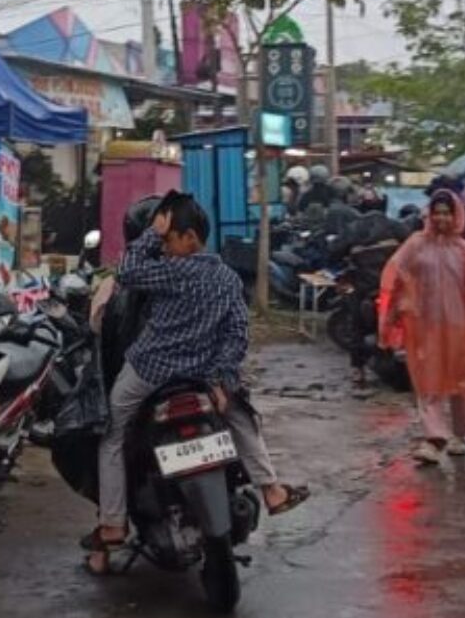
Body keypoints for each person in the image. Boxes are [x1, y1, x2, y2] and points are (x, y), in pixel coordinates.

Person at [85, 192, 305, 572]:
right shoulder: (226, 277)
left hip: (148, 373)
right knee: (241, 415)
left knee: (112, 434)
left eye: (170, 240)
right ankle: (270, 488)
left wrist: (152, 235)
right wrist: (223, 378)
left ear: (189, 238)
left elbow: (129, 271)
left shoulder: (175, 270)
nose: (165, 247)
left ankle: (112, 525)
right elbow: (237, 333)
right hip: (203, 376)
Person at [380, 189, 465, 464]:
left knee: (461, 383)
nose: (441, 218)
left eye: (447, 212)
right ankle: (434, 437)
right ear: (429, 214)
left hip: (460, 327)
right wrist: (396, 312)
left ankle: (461, 435)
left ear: (456, 215)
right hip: (424, 327)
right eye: (436, 212)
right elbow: (396, 275)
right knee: (428, 381)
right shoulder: (415, 245)